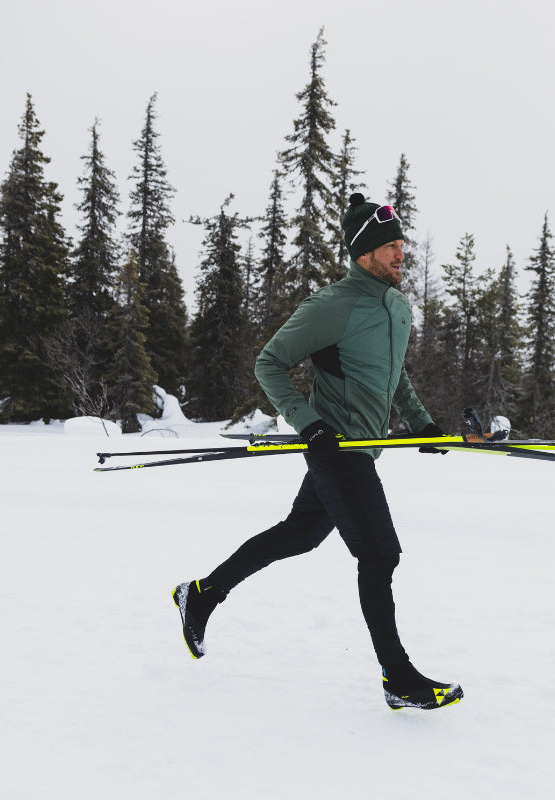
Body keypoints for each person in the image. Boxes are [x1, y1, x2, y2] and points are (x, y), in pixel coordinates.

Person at [172, 193, 463, 711]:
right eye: (390, 246)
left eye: (401, 244)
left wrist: (424, 424)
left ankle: (201, 594)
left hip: (363, 449)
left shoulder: (396, 306)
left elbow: (393, 377)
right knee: (379, 553)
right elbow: (269, 363)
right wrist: (309, 424)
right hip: (337, 448)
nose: (400, 253)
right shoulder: (333, 305)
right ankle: (397, 677)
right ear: (363, 253)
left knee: (301, 533)